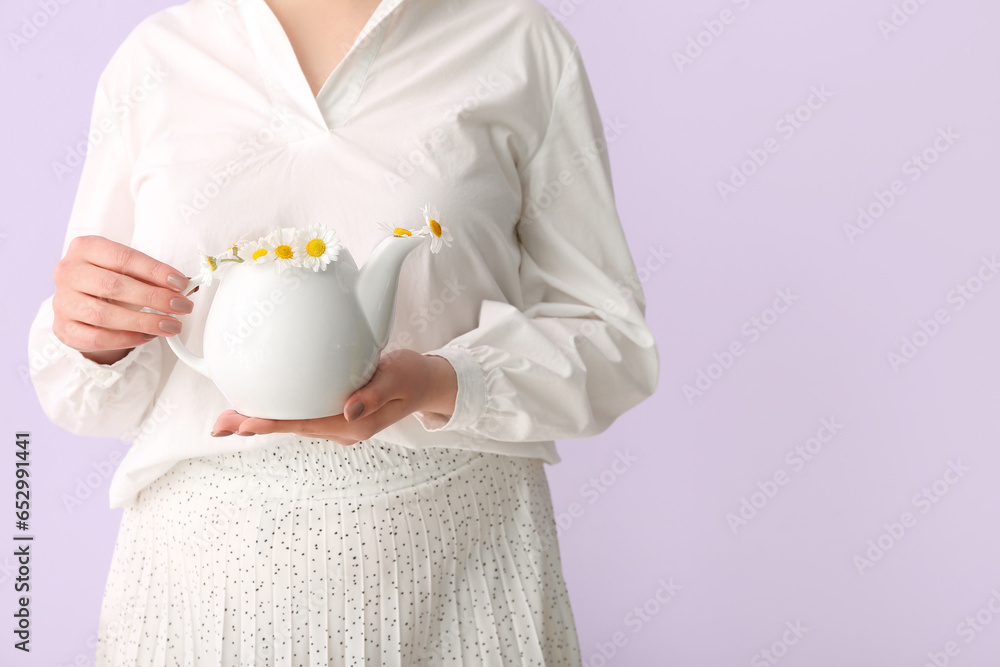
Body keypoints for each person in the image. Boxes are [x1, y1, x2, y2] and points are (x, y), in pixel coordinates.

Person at [27, 0, 660, 664]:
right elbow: (87, 391)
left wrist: (446, 382)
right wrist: (95, 338)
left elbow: (612, 343)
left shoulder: (516, 41)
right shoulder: (157, 56)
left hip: (460, 583)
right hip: (196, 598)